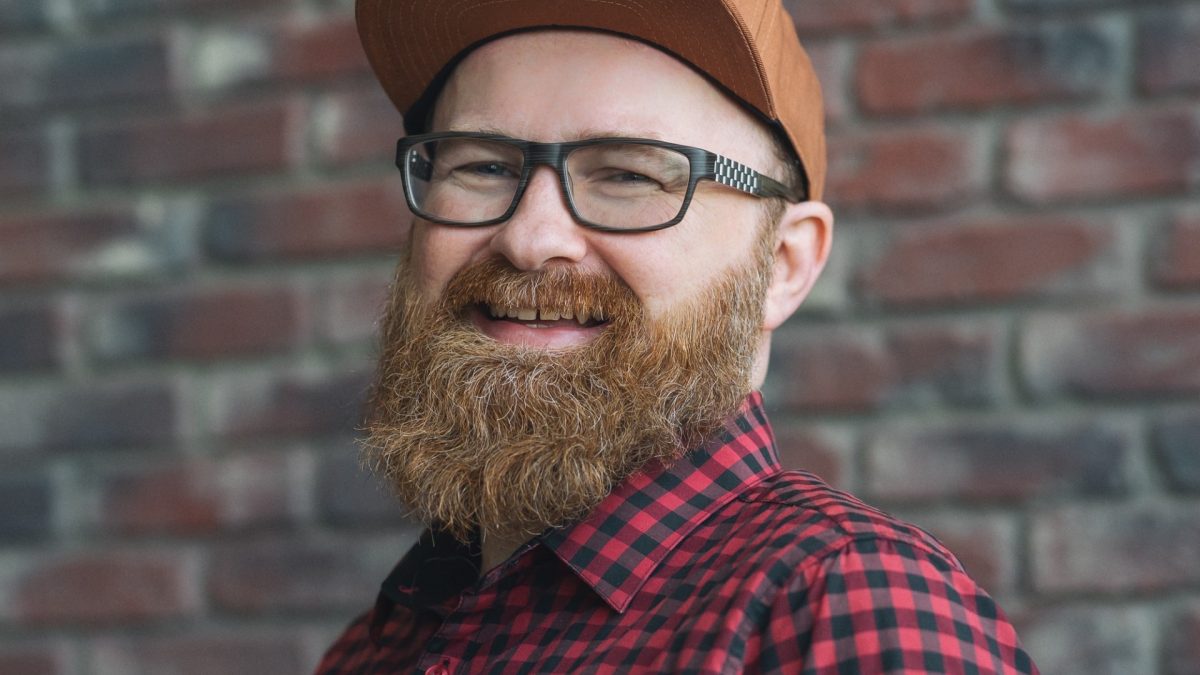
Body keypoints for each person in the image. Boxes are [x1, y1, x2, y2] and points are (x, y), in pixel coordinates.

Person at [318, 0, 1038, 672]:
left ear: (783, 266)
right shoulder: (372, 647)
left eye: (630, 175)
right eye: (482, 164)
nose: (531, 238)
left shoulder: (845, 604)